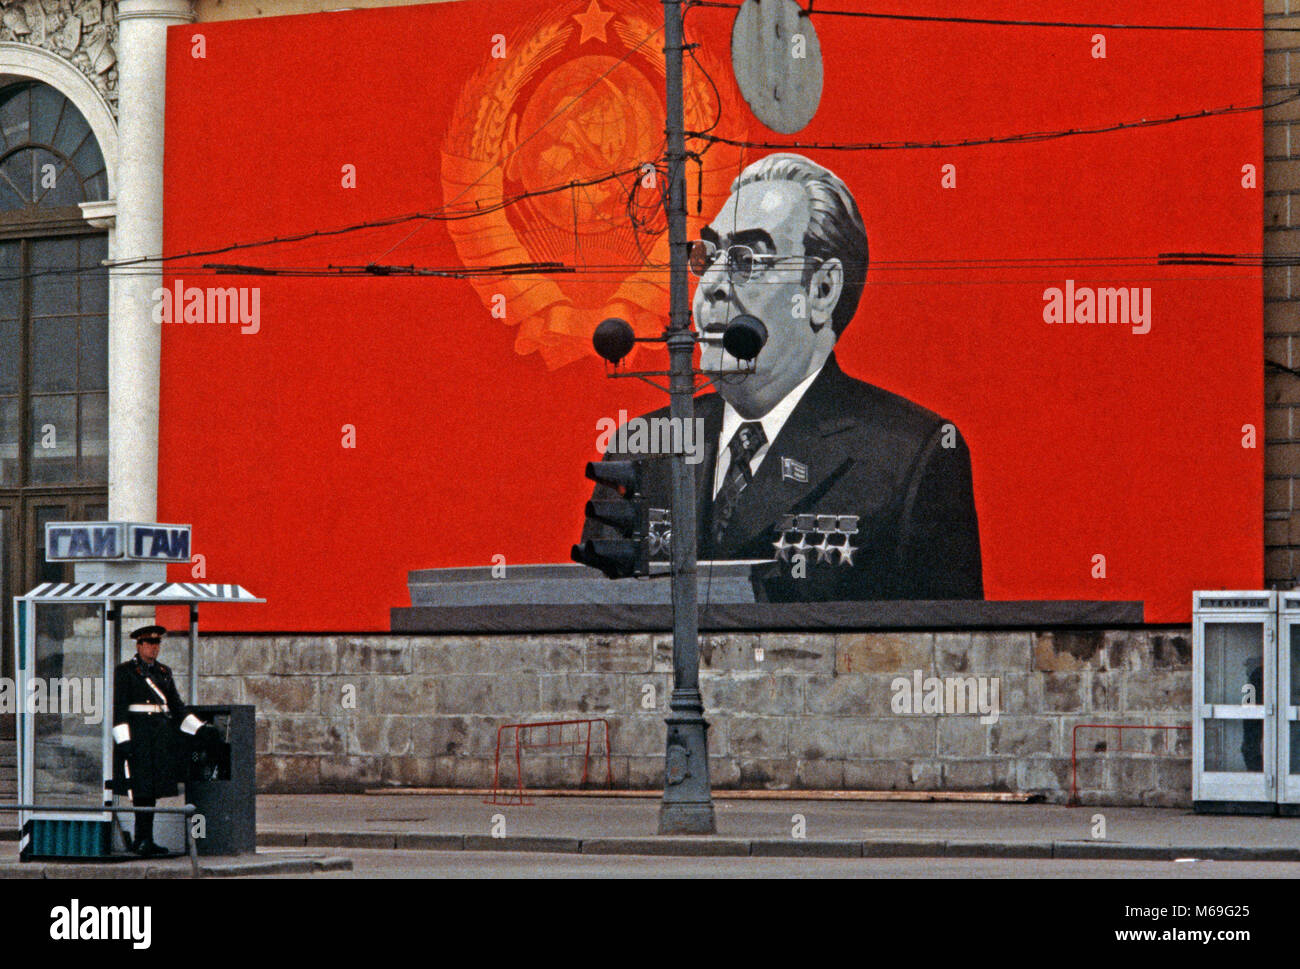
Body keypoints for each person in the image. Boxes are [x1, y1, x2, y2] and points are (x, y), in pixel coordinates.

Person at [581, 152, 983, 601]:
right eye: (707, 255)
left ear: (821, 290)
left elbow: (948, 649)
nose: (711, 284)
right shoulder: (644, 446)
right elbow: (592, 627)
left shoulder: (909, 454)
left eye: (746, 258)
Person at [110, 624, 215, 857]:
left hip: (159, 739)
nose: (154, 648)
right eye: (149, 643)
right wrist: (123, 740)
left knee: (153, 790)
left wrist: (199, 728)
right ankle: (141, 839)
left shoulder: (164, 672)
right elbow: (119, 709)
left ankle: (147, 839)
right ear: (139, 645)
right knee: (141, 791)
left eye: (157, 644)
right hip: (138, 738)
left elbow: (176, 706)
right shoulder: (126, 671)